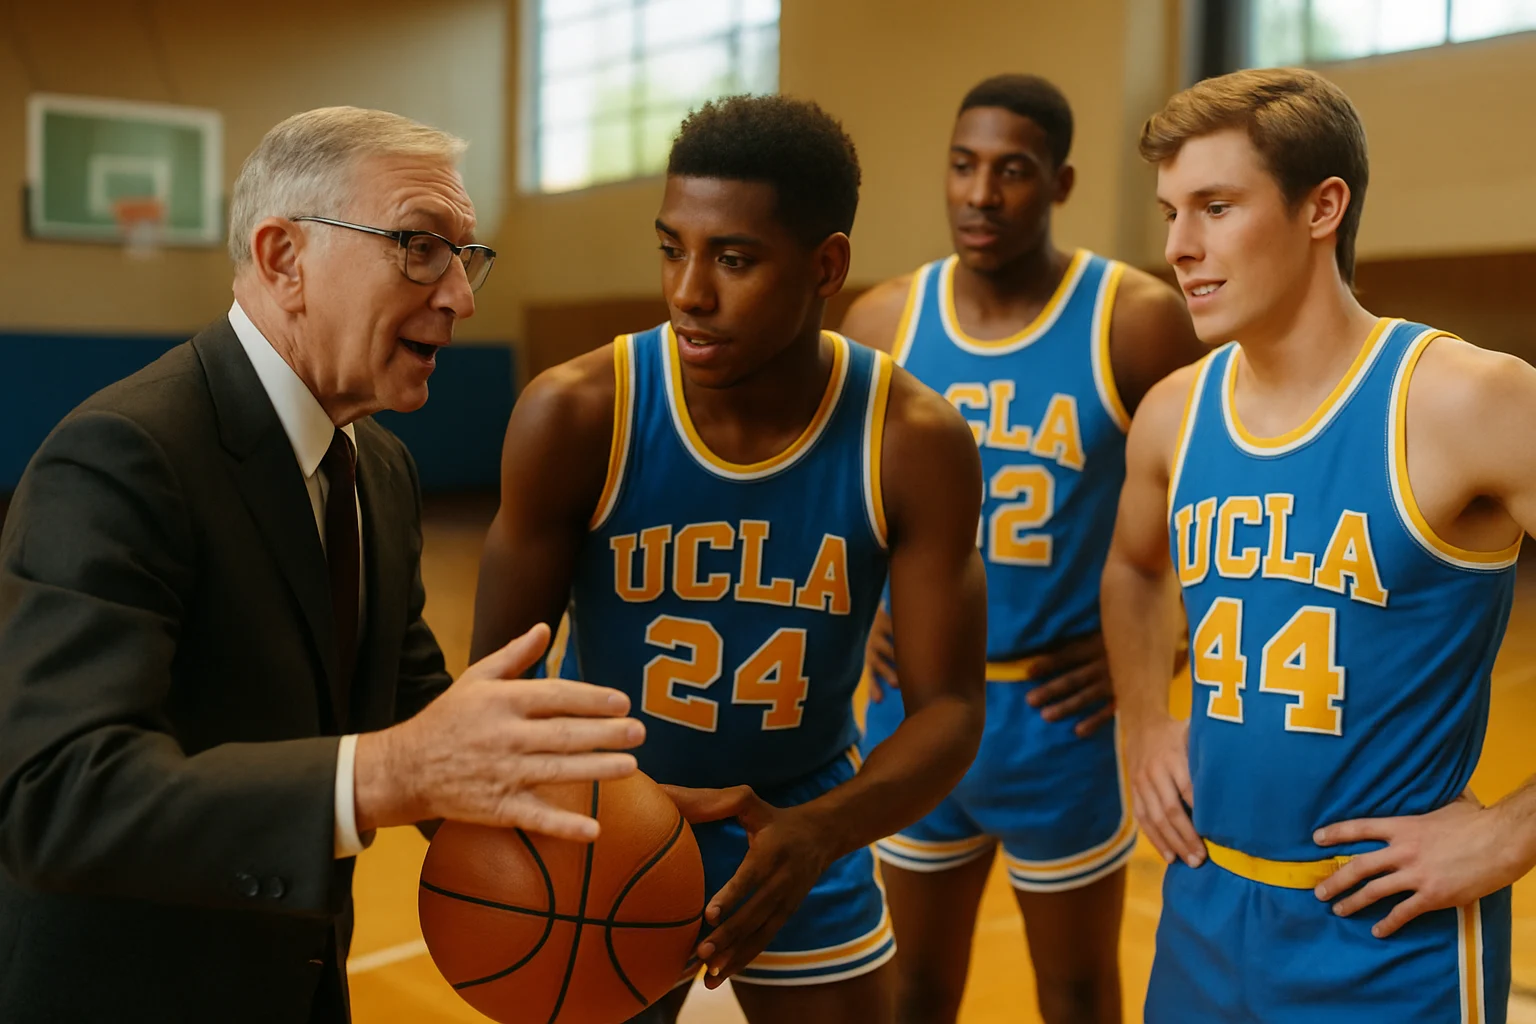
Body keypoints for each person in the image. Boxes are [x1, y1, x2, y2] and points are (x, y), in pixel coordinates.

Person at [0, 107, 645, 1023]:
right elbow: (57, 796)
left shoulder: (377, 466)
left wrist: (611, 808)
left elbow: (405, 701)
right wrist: (386, 774)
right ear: (283, 258)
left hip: (296, 982)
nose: (461, 295)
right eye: (421, 248)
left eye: (468, 258)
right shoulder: (122, 455)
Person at [471, 94, 988, 1024]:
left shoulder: (911, 439)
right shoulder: (579, 414)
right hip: (605, 828)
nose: (687, 292)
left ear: (826, 264)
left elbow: (948, 709)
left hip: (799, 821)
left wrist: (822, 831)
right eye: (674, 247)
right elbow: (497, 687)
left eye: (734, 259)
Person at [1103, 67, 1536, 1022]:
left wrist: (1512, 832)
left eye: (1216, 206)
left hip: (1390, 941)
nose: (1179, 246)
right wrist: (1141, 719)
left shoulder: (1464, 399)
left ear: (1322, 207)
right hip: (1205, 908)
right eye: (1172, 211)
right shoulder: (1175, 414)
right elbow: (1136, 568)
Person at [841, 75, 1200, 1024]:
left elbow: (1218, 501)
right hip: (916, 708)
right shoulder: (883, 323)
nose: (980, 194)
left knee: (1080, 993)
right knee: (909, 989)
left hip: (1059, 721)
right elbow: (840, 501)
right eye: (963, 167)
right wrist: (856, 613)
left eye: (1012, 171)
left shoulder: (1135, 318)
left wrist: (1162, 647)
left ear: (1062, 182)